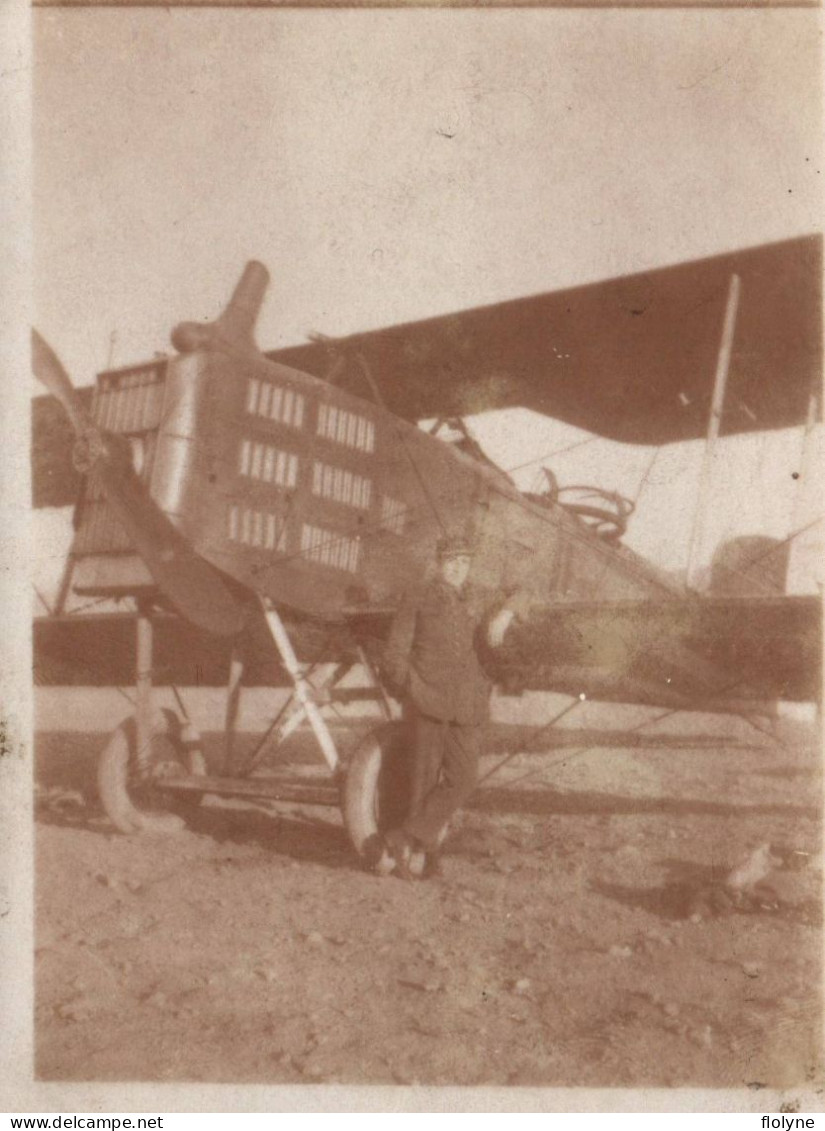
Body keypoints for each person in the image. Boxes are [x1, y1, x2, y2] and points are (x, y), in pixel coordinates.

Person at [380, 534, 522, 879]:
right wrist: (409, 691)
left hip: (467, 707)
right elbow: (395, 653)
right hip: (427, 702)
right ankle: (424, 860)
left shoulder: (479, 598)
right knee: (422, 784)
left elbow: (523, 590)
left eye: (464, 563)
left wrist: (507, 611)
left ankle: (404, 837)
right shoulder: (417, 597)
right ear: (438, 563)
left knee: (463, 779)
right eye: (452, 563)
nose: (458, 569)